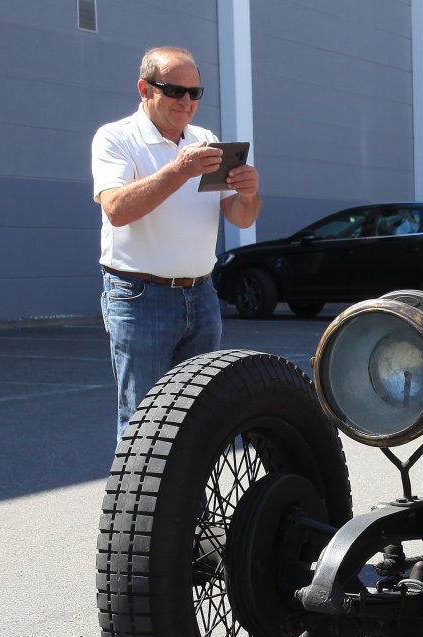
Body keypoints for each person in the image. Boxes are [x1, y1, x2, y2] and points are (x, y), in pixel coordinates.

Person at [92, 45, 261, 439]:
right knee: (143, 425)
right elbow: (117, 209)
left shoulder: (206, 140)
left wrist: (249, 193)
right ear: (144, 89)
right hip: (140, 296)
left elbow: (241, 217)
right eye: (173, 90)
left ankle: (192, 486)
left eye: (194, 92)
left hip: (201, 295)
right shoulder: (116, 137)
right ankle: (140, 486)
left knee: (198, 419)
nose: (185, 101)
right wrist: (179, 171)